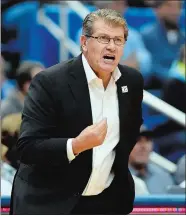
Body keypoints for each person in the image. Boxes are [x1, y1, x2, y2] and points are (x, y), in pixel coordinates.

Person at [10, 9, 144, 215]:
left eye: (118, 40)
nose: (111, 46)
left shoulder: (132, 82)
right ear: (84, 42)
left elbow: (130, 134)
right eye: (103, 38)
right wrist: (76, 145)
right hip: (51, 203)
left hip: (107, 203)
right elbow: (28, 147)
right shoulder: (50, 82)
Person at [141, 0, 185, 89]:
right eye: (169, 6)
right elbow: (148, 67)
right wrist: (176, 77)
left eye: (179, 7)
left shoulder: (184, 37)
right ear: (157, 9)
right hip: (158, 90)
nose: (175, 11)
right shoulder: (146, 35)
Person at [129, 125, 175, 194]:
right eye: (137, 140)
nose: (143, 146)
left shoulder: (163, 177)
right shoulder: (113, 179)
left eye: (147, 140)